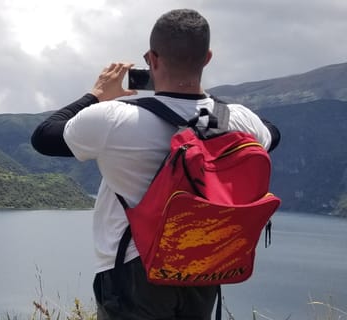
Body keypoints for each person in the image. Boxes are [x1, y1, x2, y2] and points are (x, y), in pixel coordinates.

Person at [30, 9, 280, 320]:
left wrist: (96, 95)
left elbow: (43, 136)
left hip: (134, 271)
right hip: (201, 264)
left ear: (152, 58)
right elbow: (273, 133)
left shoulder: (113, 119)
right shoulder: (239, 119)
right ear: (208, 58)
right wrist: (206, 101)